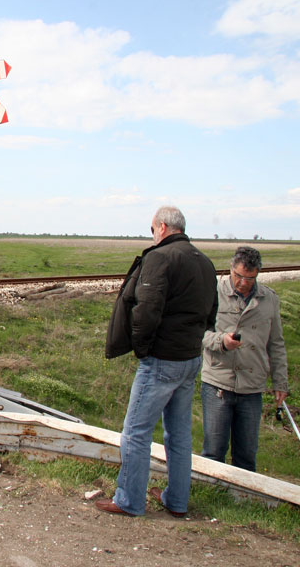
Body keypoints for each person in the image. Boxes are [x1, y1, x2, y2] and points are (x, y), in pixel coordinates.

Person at [99, 206, 218, 517]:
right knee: (178, 435)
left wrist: (142, 348)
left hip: (162, 360)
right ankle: (176, 500)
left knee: (136, 432)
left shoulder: (159, 257)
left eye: (152, 229)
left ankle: (129, 500)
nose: (152, 234)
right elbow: (211, 313)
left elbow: (146, 308)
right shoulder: (204, 262)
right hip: (190, 359)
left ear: (162, 227)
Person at [200, 246, 289, 472]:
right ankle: (211, 496)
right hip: (218, 383)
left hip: (252, 388)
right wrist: (221, 341)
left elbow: (276, 344)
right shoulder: (212, 292)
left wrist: (280, 383)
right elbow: (197, 332)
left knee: (247, 455)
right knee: (213, 451)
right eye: (238, 276)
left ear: (257, 274)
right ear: (231, 268)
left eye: (249, 278)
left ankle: (242, 501)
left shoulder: (269, 299)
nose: (242, 283)